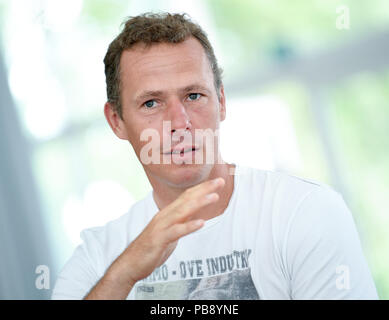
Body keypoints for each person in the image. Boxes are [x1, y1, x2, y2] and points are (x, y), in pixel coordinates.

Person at [52, 12, 378, 300]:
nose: (180, 122)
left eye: (194, 95)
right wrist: (125, 273)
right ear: (117, 121)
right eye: (151, 103)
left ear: (221, 102)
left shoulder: (305, 212)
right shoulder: (99, 257)